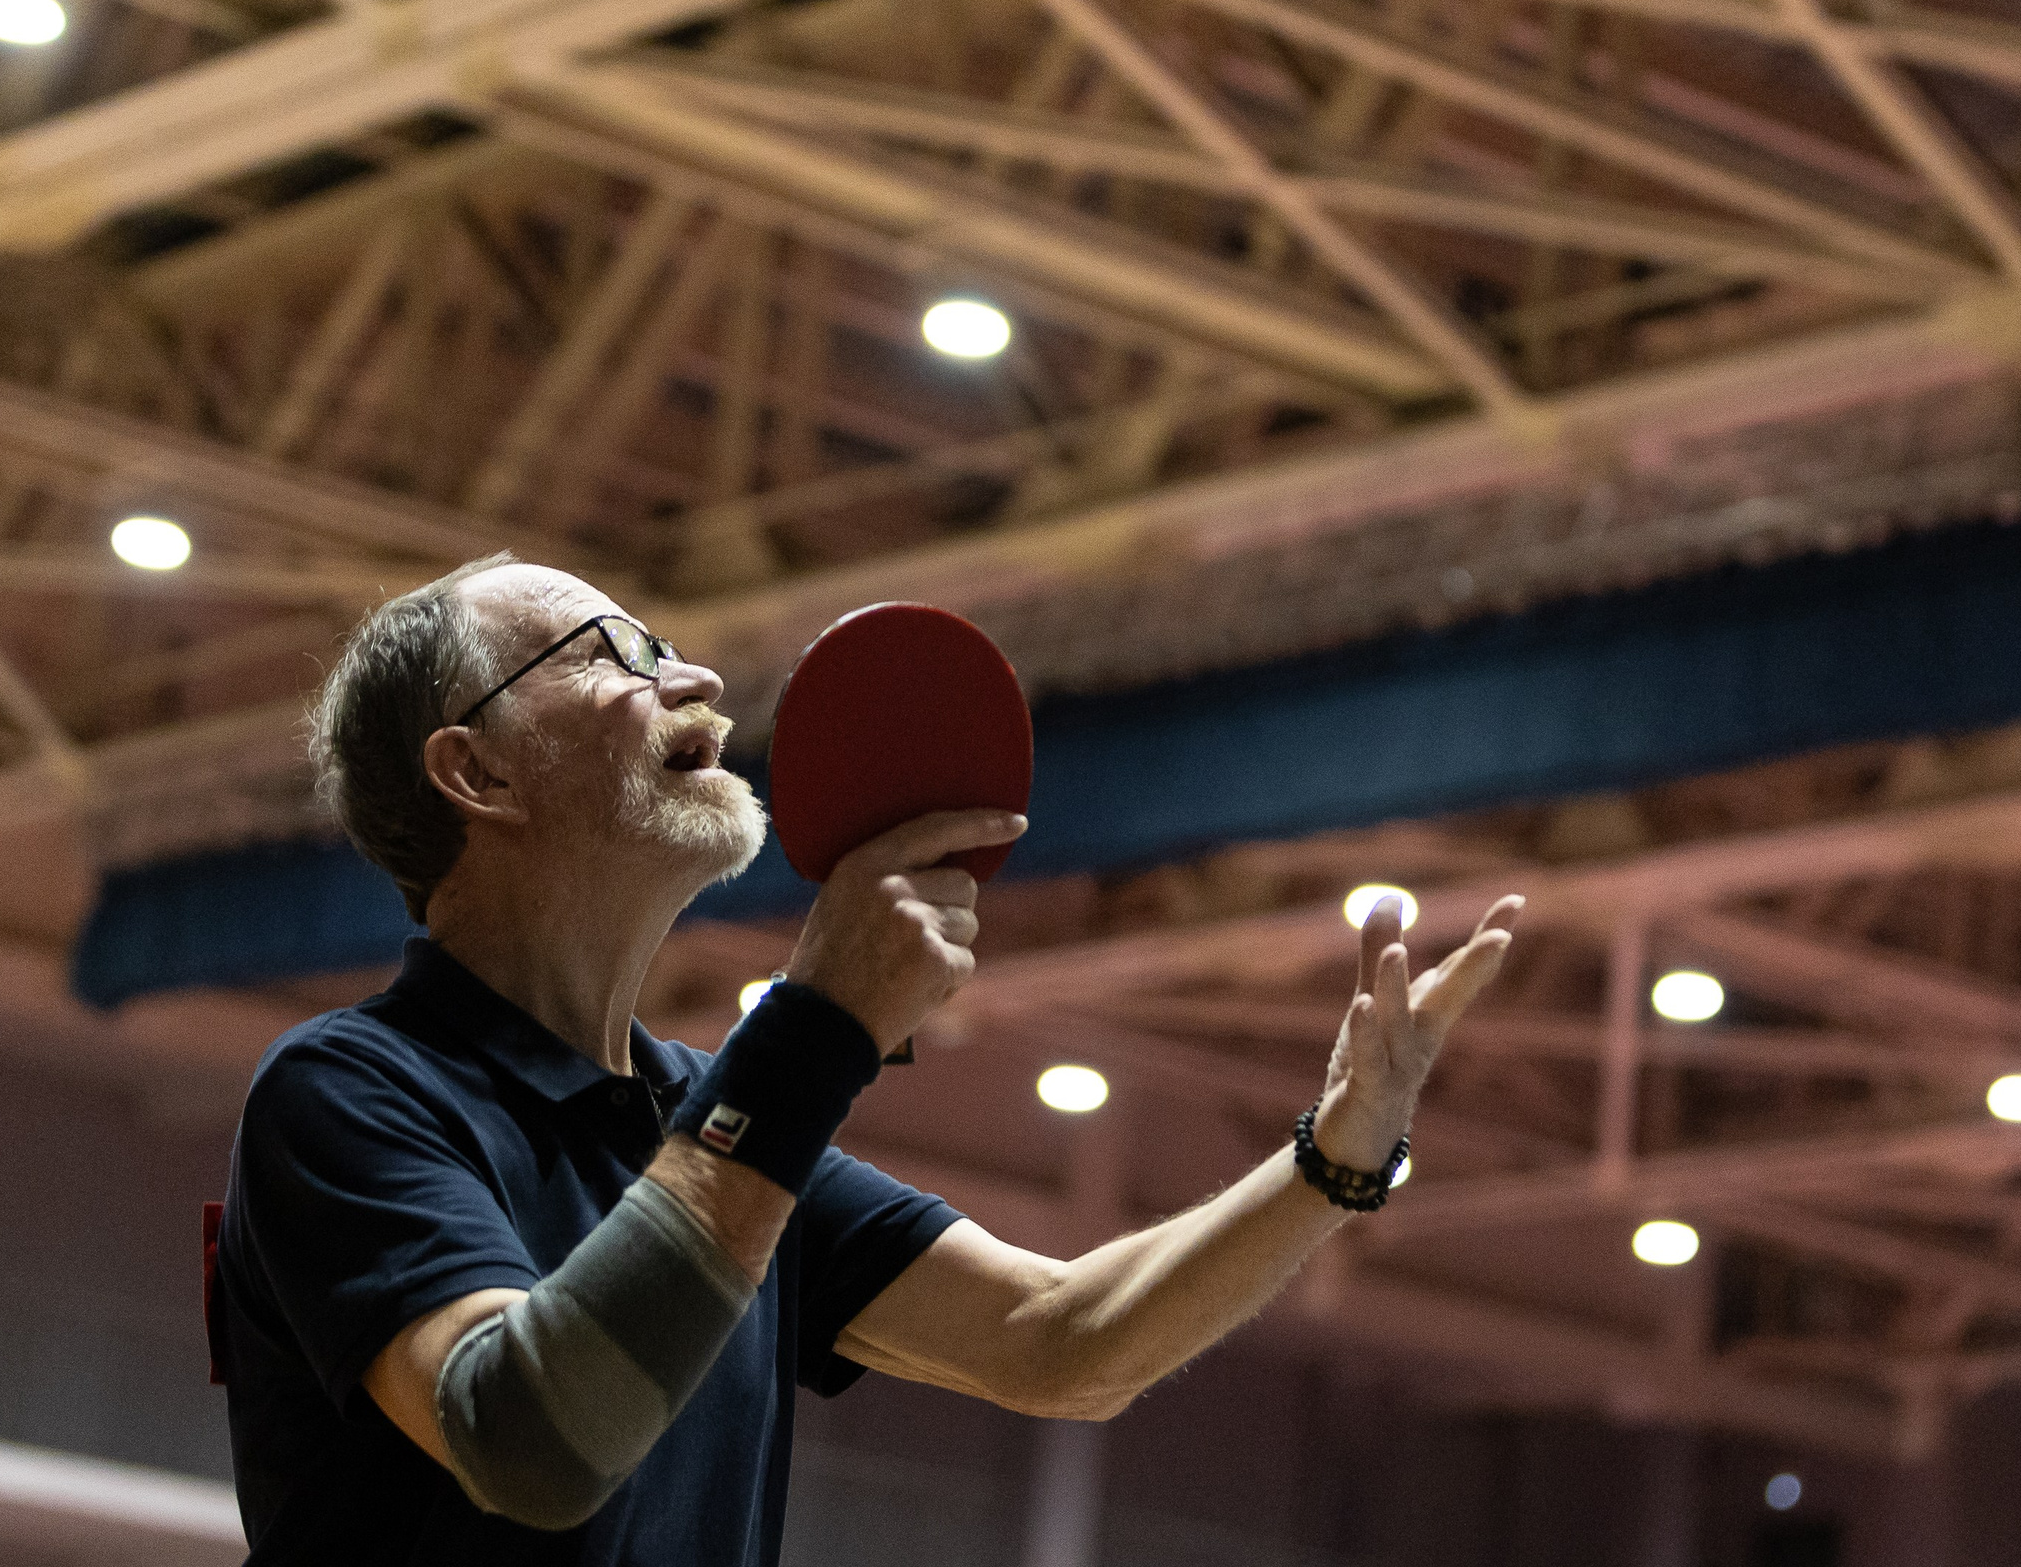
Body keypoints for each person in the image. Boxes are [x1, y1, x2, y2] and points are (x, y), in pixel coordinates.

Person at [215, 553, 1517, 1565]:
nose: (693, 679)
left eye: (667, 645)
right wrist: (817, 1027)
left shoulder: (702, 1118)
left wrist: (1340, 1150)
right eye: (611, 653)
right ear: (477, 771)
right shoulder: (350, 1093)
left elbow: (1064, 1339)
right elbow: (530, 1440)